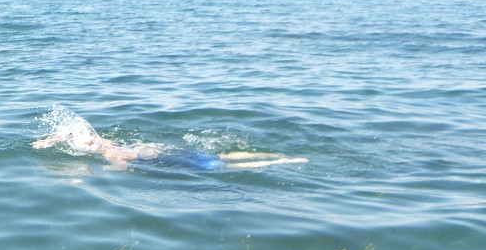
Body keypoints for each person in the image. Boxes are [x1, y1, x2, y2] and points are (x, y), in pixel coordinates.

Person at [32, 106, 306, 170]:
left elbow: (123, 168)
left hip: (156, 156)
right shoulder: (100, 140)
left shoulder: (107, 153)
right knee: (221, 157)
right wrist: (48, 141)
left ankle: (282, 161)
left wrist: (107, 174)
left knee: (219, 166)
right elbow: (67, 132)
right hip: (151, 147)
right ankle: (280, 156)